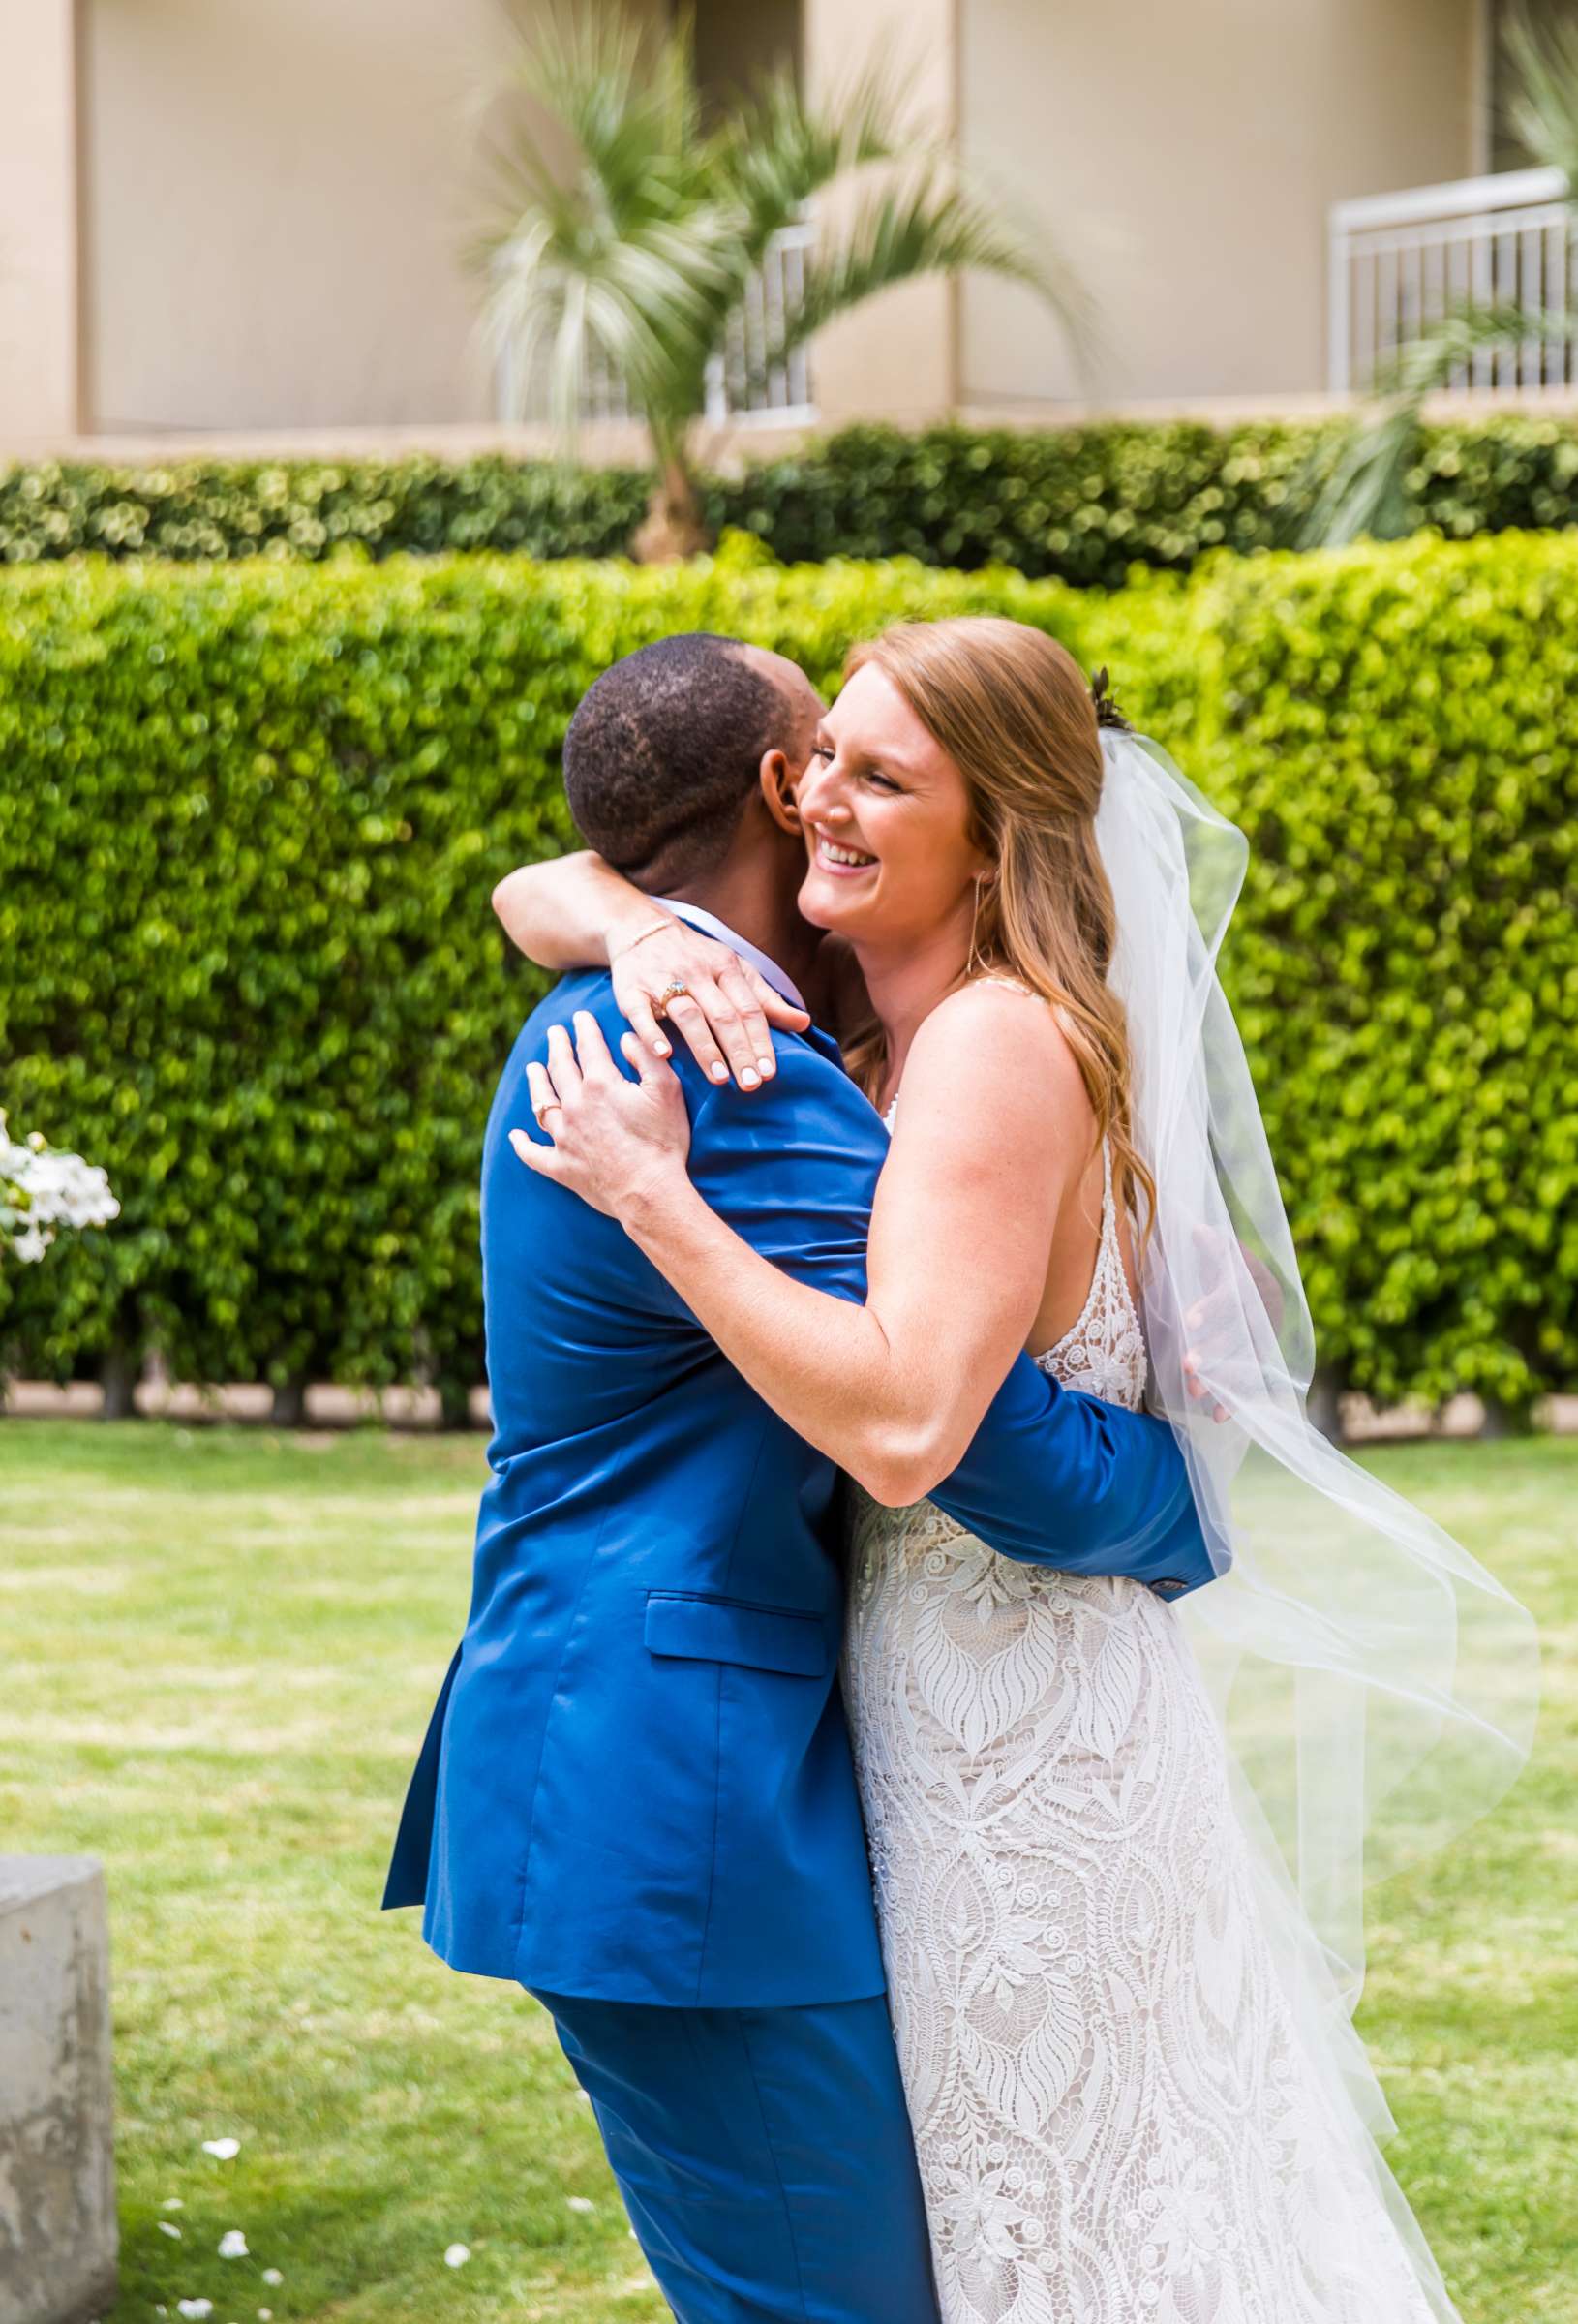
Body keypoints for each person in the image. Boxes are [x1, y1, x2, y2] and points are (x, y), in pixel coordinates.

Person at [509, 617, 1537, 2324]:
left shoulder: (985, 1042)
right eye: (821, 756)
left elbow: (917, 1430)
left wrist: (656, 1200)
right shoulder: (846, 1027)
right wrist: (625, 916)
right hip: (930, 1713)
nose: (820, 796)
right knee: (1030, 2224)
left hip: (1024, 1735)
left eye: (878, 774)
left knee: (1089, 2218)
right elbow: (543, 883)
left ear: (994, 836)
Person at [381, 630, 1214, 2324]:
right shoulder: (729, 1065)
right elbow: (977, 1442)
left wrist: (607, 907)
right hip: (681, 1802)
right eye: (822, 752)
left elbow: (541, 889)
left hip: (656, 1770)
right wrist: (1188, 1504)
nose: (835, 783)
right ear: (782, 787)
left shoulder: (648, 981)